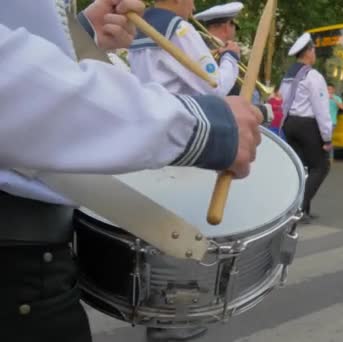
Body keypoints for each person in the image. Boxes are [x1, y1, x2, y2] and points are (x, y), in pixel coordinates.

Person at [0, 1, 262, 342]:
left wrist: (77, 33)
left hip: (128, 144)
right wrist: (202, 124)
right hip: (16, 263)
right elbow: (213, 85)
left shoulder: (148, 30)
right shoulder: (179, 30)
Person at [128, 0, 240, 97]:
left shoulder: (139, 26)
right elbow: (216, 87)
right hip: (177, 115)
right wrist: (231, 56)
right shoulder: (179, 28)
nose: (193, 7)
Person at [279, 33, 332, 224]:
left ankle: (304, 209)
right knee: (321, 166)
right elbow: (321, 109)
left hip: (290, 123)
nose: (315, 53)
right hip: (307, 125)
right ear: (309, 52)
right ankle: (299, 208)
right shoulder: (313, 75)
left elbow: (283, 101)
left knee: (301, 169)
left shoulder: (288, 75)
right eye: (314, 50)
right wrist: (327, 137)